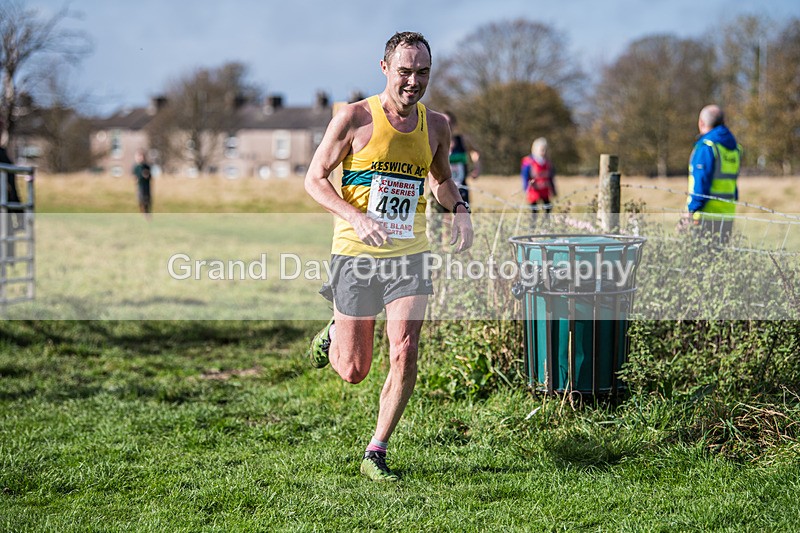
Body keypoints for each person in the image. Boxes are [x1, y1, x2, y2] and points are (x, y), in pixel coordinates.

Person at [303, 31, 473, 482]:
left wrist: (458, 209)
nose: (413, 81)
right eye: (404, 71)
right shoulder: (354, 118)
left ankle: (376, 450)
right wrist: (355, 217)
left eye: (422, 73)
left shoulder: (436, 125)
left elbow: (439, 179)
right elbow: (315, 179)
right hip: (357, 252)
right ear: (384, 69)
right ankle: (337, 330)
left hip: (410, 254)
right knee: (355, 370)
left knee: (404, 350)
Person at [684, 104, 741, 244]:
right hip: (727, 215)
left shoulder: (707, 147)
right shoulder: (734, 148)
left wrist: (690, 212)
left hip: (705, 216)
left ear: (701, 123)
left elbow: (701, 183)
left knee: (700, 261)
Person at [426, 111, 480, 244]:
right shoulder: (433, 138)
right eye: (444, 121)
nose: (447, 125)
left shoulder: (462, 140)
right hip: (439, 186)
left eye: (450, 122)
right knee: (440, 219)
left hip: (460, 186)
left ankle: (458, 246)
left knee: (461, 216)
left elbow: (475, 152)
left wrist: (477, 168)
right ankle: (441, 246)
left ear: (454, 124)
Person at [521, 137, 556, 227]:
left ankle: (546, 224)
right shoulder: (528, 162)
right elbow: (524, 176)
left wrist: (553, 190)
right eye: (541, 149)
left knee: (548, 207)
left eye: (545, 149)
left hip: (545, 190)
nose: (543, 152)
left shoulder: (547, 162)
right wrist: (526, 188)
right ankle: (533, 226)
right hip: (534, 190)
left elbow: (551, 177)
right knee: (534, 210)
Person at [132, 149, 153, 220]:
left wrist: (147, 175)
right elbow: (135, 177)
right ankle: (142, 214)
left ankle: (147, 215)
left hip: (146, 187)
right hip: (139, 186)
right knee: (140, 200)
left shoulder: (146, 166)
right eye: (138, 156)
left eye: (141, 156)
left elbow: (149, 176)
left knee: (147, 200)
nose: (140, 158)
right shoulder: (136, 167)